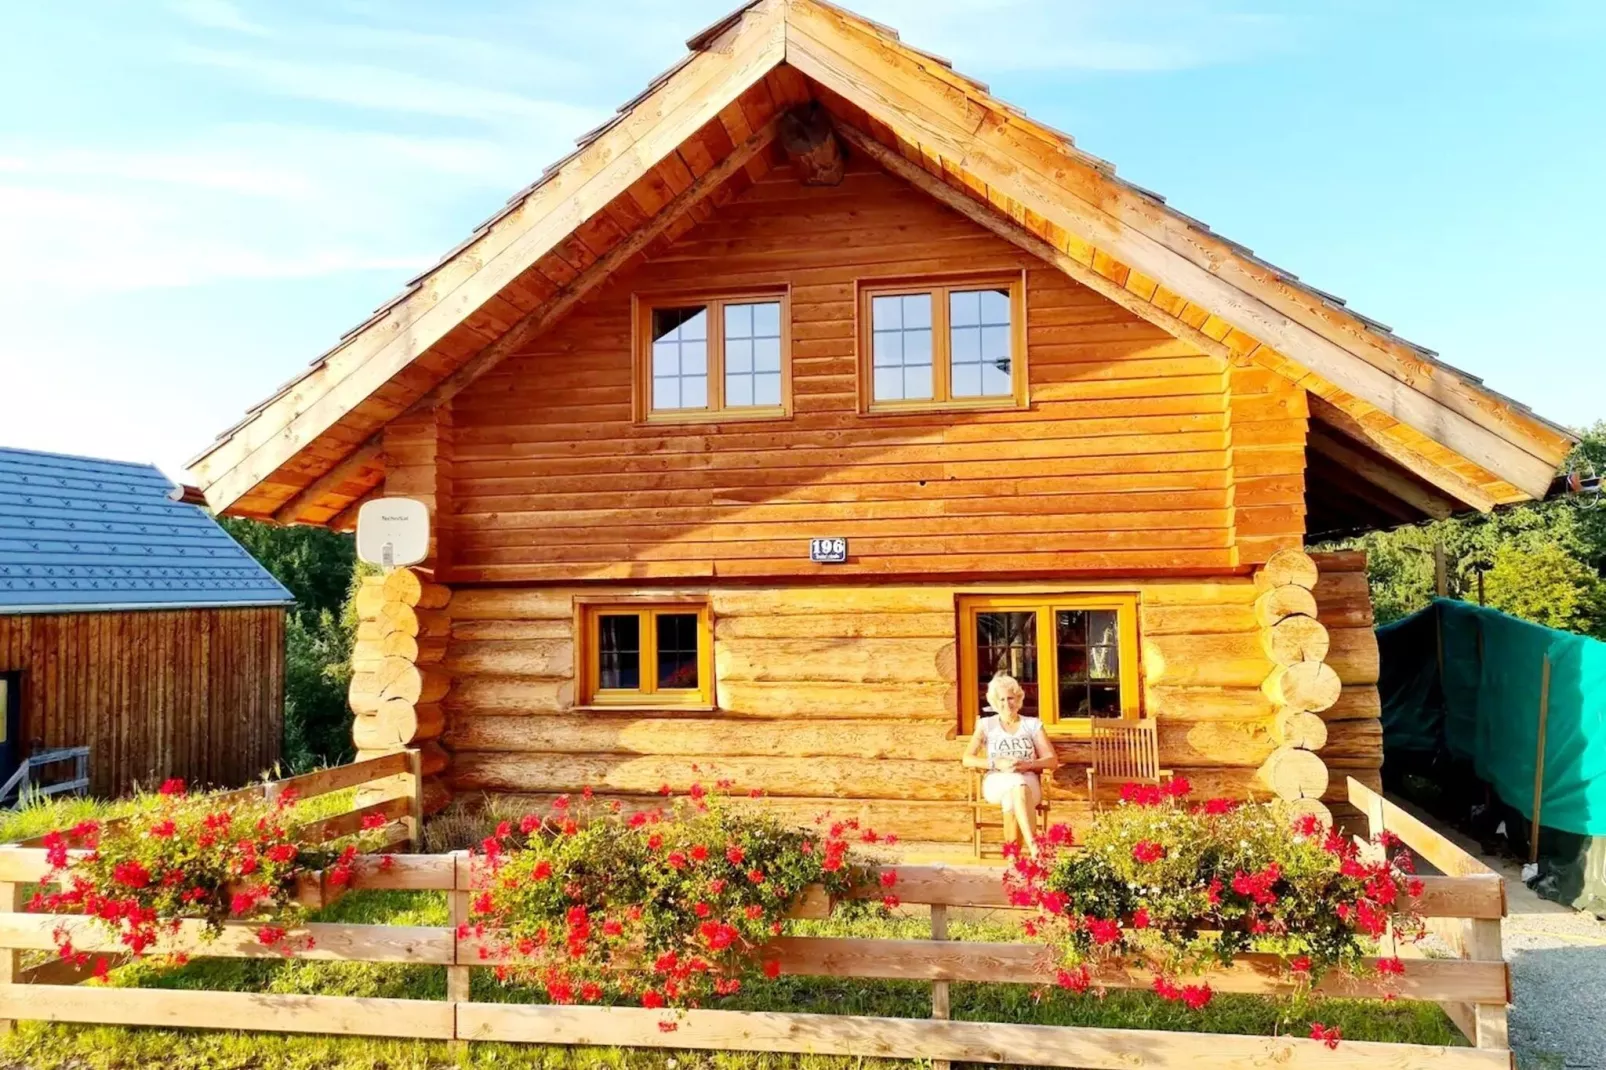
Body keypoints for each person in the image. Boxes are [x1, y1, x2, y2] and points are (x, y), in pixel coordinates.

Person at [962, 672, 1058, 857]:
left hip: (1028, 781)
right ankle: (1035, 849)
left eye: (1011, 698)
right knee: (1015, 786)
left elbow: (1051, 760)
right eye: (1002, 699)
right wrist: (995, 763)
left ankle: (1014, 859)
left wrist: (1027, 765)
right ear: (994, 702)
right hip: (996, 780)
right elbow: (967, 758)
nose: (1007, 704)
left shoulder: (1032, 725)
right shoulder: (986, 725)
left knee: (1015, 793)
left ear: (1019, 698)